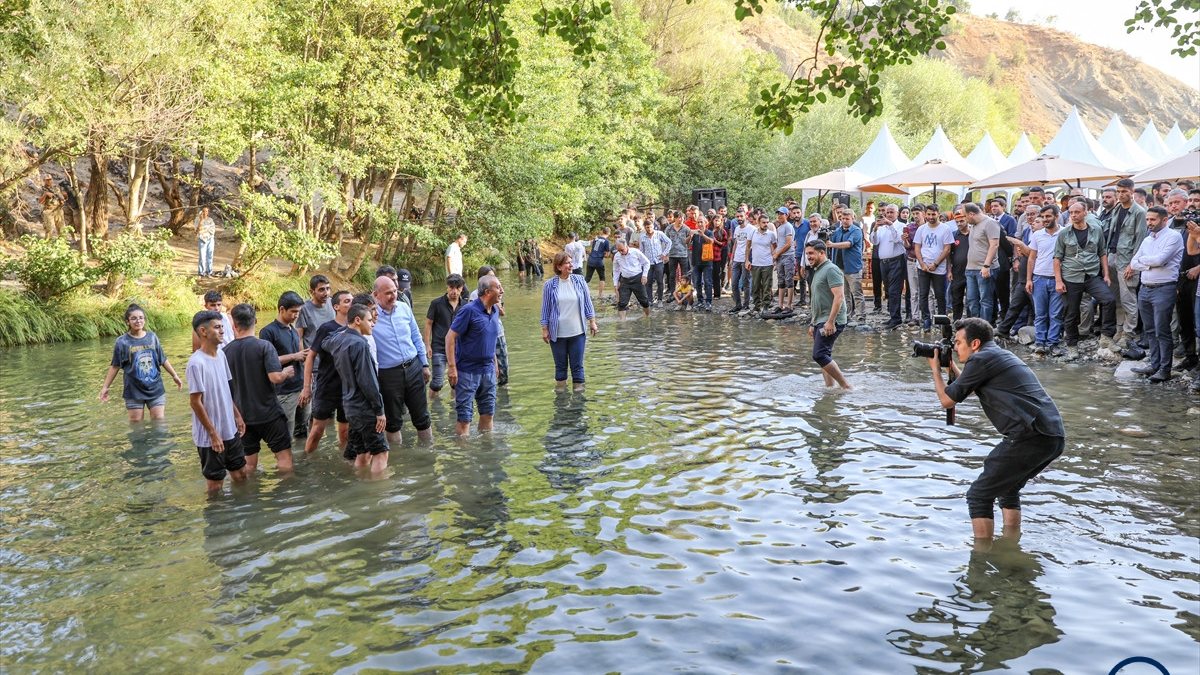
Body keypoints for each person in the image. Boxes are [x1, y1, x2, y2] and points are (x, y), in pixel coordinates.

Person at [927, 317, 1065, 541]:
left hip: (1030, 436)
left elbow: (947, 401)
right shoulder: (995, 355)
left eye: (958, 342)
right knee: (1007, 489)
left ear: (975, 344)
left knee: (978, 495)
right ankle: (1010, 546)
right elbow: (966, 388)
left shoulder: (981, 360)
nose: (954, 347)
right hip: (1052, 435)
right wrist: (950, 365)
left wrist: (934, 370)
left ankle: (981, 560)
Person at [223, 304, 297, 473]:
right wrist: (285, 372)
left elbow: (225, 389)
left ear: (234, 325)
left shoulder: (225, 352)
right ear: (255, 321)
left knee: (249, 464)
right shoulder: (264, 346)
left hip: (243, 417)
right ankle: (287, 496)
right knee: (284, 459)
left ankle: (249, 495)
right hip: (269, 413)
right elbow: (275, 378)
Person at [187, 310, 248, 492]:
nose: (222, 331)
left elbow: (225, 390)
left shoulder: (221, 356)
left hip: (229, 429)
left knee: (240, 475)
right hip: (209, 437)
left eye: (222, 327)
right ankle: (217, 518)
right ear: (203, 332)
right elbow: (195, 402)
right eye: (217, 327)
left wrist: (237, 416)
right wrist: (213, 434)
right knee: (215, 485)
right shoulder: (196, 363)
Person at [372, 275, 433, 442]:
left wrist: (424, 364)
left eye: (394, 291)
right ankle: (398, 460)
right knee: (392, 422)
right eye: (388, 293)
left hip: (413, 367)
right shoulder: (370, 317)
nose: (393, 296)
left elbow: (416, 336)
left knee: (422, 417)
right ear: (376, 295)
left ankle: (429, 455)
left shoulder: (404, 308)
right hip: (388, 374)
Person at [99, 304, 182, 422]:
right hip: (133, 390)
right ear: (127, 321)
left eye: (141, 317)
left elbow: (162, 359)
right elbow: (115, 366)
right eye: (134, 318)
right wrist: (105, 387)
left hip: (155, 387)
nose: (138, 321)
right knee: (137, 425)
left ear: (144, 319)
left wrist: (175, 375)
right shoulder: (122, 342)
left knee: (158, 422)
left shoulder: (152, 337)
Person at [1129, 206, 1185, 382]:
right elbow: (1133, 263)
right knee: (1150, 330)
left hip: (1164, 288)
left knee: (1162, 330)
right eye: (1147, 219)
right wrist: (1149, 264)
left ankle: (1165, 369)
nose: (1149, 223)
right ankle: (1154, 365)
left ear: (1164, 219)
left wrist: (1143, 262)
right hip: (1145, 288)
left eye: (1152, 220)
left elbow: (1160, 260)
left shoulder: (1173, 237)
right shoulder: (1147, 240)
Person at [331, 304, 389, 471]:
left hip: (350, 406)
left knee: (362, 453)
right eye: (369, 320)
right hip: (364, 407)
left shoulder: (338, 340)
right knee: (380, 453)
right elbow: (368, 381)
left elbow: (325, 341)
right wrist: (379, 411)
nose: (372, 324)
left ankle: (361, 483)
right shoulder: (360, 344)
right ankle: (378, 492)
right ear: (357, 320)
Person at [1054, 201, 1116, 350]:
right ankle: (1072, 346)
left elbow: (1102, 253)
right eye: (1071, 213)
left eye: (1077, 212)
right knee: (1071, 312)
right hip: (1071, 277)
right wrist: (1058, 281)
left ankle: (1106, 337)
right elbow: (1057, 258)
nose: (1074, 215)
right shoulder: (1064, 233)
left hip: (1091, 275)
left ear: (1085, 213)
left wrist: (1106, 274)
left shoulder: (1096, 230)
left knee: (1108, 300)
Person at [447, 275, 504, 436]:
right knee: (465, 419)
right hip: (467, 372)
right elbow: (450, 337)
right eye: (499, 287)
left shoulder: (494, 311)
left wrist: (495, 363)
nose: (502, 291)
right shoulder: (468, 310)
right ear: (487, 291)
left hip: (488, 371)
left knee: (488, 415)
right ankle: (464, 457)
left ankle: (485, 454)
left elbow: (489, 339)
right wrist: (452, 368)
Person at [301, 290, 353, 454]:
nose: (351, 304)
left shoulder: (356, 327)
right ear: (336, 306)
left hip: (347, 388)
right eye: (347, 301)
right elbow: (310, 356)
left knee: (345, 432)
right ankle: (307, 460)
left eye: (352, 300)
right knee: (317, 431)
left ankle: (343, 462)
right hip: (326, 386)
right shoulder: (327, 328)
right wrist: (307, 387)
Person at [541, 252, 598, 391]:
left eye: (571, 262)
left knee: (577, 366)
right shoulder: (549, 285)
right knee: (560, 367)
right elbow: (545, 308)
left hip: (577, 332)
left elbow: (587, 303)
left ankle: (578, 402)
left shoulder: (579, 280)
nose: (571, 265)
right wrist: (544, 329)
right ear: (559, 266)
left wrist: (592, 321)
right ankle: (561, 399)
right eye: (567, 263)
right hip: (557, 333)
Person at [1103, 179, 1148, 347]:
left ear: (1132, 191)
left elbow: (1141, 240)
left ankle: (1129, 333)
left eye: (1124, 192)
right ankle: (1120, 328)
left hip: (1128, 260)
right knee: (1116, 298)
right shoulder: (1117, 209)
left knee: (1128, 297)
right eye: (1119, 192)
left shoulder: (1139, 212)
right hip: (1113, 256)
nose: (1121, 195)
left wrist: (1133, 264)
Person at [259, 291, 310, 438]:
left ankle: (303, 460)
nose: (296, 315)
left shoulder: (292, 329)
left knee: (302, 431)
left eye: (298, 312)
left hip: (301, 387)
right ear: (282, 309)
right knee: (285, 435)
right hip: (284, 391)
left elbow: (301, 355)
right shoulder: (268, 332)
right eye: (293, 312)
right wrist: (295, 356)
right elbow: (268, 362)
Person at [805, 240, 851, 390]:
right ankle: (829, 388)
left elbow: (839, 297)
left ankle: (846, 386)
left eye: (811, 253)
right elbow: (817, 299)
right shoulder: (818, 270)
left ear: (822, 253)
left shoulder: (831, 269)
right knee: (823, 356)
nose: (809, 257)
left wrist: (831, 322)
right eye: (807, 254)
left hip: (832, 320)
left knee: (819, 355)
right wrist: (813, 323)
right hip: (820, 319)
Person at [1165, 189, 1199, 370]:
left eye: (1176, 202)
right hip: (1179, 275)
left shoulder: (1195, 221)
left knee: (1197, 319)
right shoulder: (1170, 224)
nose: (1173, 206)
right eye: (1170, 203)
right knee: (1184, 318)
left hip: (1196, 276)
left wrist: (1198, 267)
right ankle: (1190, 356)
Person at [1026, 206, 1064, 356]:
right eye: (1043, 217)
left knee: (1055, 314)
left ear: (1056, 216)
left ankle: (1053, 343)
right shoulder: (1037, 235)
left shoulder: (1065, 233)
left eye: (1048, 216)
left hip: (1058, 279)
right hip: (1039, 277)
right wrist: (1029, 279)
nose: (1045, 219)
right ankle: (1040, 342)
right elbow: (1031, 258)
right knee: (1040, 313)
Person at [913, 206, 954, 330]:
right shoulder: (921, 229)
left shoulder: (945, 229)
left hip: (939, 267)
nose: (931, 217)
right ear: (925, 214)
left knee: (940, 295)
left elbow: (947, 249)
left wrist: (936, 263)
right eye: (929, 214)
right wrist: (922, 263)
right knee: (923, 294)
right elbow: (917, 247)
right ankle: (926, 319)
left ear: (938, 214)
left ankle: (941, 319)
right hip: (923, 266)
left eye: (933, 214)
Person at [424, 274, 465, 395]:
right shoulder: (436, 304)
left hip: (458, 348)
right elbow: (428, 324)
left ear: (462, 288)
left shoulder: (466, 306)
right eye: (451, 287)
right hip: (439, 347)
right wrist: (427, 345)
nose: (454, 291)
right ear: (447, 287)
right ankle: (432, 406)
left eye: (458, 288)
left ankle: (455, 408)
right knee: (437, 383)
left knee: (456, 382)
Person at [468, 265, 509, 386]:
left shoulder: (498, 291)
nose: (492, 278)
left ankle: (503, 394)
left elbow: (502, 313)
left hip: (498, 331)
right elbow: (474, 316)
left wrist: (496, 302)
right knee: (488, 367)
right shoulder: (475, 295)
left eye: (493, 276)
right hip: (483, 335)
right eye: (489, 276)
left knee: (504, 367)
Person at [963, 203, 1002, 322]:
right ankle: (975, 325)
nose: (964, 219)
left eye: (965, 216)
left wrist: (986, 266)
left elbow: (994, 244)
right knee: (971, 299)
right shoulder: (974, 225)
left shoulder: (990, 223)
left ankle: (984, 327)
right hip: (971, 268)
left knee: (985, 300)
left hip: (984, 268)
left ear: (971, 214)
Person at [871, 207, 907, 330]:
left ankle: (896, 318)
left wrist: (891, 225)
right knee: (888, 290)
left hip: (896, 260)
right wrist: (875, 229)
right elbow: (874, 242)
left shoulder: (900, 225)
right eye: (887, 213)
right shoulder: (881, 227)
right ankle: (893, 316)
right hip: (883, 262)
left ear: (897, 213)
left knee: (894, 290)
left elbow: (898, 239)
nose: (889, 214)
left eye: (892, 212)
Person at [828, 207, 866, 321]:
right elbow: (829, 239)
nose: (844, 221)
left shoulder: (856, 230)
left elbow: (848, 244)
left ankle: (861, 316)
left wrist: (832, 245)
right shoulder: (838, 230)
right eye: (842, 218)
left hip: (853, 266)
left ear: (852, 218)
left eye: (847, 218)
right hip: (839, 266)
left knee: (857, 293)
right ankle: (848, 314)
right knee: (844, 294)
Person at [746, 214, 778, 314]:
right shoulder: (752, 232)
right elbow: (748, 247)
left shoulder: (771, 234)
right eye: (763, 222)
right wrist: (747, 260)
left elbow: (775, 247)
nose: (766, 224)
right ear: (758, 222)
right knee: (755, 286)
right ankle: (756, 306)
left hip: (767, 263)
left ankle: (766, 306)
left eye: (767, 222)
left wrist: (774, 259)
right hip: (755, 263)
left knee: (767, 286)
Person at [612, 238, 652, 319]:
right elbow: (616, 270)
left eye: (622, 250)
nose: (620, 252)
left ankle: (647, 317)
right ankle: (623, 323)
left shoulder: (635, 252)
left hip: (637, 279)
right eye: (618, 250)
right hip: (625, 280)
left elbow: (647, 263)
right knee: (622, 303)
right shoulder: (617, 256)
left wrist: (644, 275)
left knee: (644, 301)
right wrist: (615, 284)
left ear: (626, 246)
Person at [296, 274, 333, 350]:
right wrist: (304, 359)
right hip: (314, 357)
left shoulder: (334, 303)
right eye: (321, 290)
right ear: (312, 292)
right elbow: (299, 338)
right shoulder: (304, 309)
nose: (326, 293)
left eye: (328, 289)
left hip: (332, 356)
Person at [640, 218, 671, 305]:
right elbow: (641, 250)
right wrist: (641, 262)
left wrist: (664, 253)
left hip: (658, 261)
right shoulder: (642, 237)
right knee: (648, 282)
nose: (649, 229)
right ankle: (650, 300)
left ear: (653, 226)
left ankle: (660, 300)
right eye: (647, 227)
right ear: (644, 228)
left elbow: (669, 242)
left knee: (660, 281)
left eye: (650, 227)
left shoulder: (659, 234)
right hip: (648, 262)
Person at [773, 207, 797, 312]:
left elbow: (788, 243)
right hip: (780, 256)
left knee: (789, 280)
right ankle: (780, 304)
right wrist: (776, 253)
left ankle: (789, 305)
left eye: (781, 214)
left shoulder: (788, 226)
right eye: (778, 214)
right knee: (781, 280)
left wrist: (777, 253)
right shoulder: (779, 227)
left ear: (786, 215)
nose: (779, 216)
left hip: (788, 256)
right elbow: (780, 243)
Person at [729, 212, 754, 313]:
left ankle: (746, 305)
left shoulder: (751, 229)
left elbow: (752, 244)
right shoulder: (737, 228)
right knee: (734, 283)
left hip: (746, 259)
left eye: (741, 216)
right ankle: (738, 304)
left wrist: (748, 259)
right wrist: (732, 257)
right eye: (737, 216)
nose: (739, 218)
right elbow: (736, 243)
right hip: (736, 259)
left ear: (746, 217)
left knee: (745, 282)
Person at [688, 219, 716, 310]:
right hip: (696, 261)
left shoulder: (709, 232)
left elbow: (711, 241)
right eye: (698, 222)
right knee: (697, 282)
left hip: (707, 261)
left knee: (708, 282)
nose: (700, 224)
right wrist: (690, 236)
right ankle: (700, 301)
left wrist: (702, 234)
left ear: (706, 223)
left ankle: (708, 302)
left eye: (701, 222)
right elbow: (687, 244)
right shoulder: (695, 233)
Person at [664, 211, 691, 301]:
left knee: (684, 275)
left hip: (683, 254)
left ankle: (685, 294)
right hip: (672, 254)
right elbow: (665, 241)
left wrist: (690, 237)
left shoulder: (686, 229)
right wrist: (665, 253)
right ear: (675, 218)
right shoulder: (669, 228)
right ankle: (672, 293)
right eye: (679, 218)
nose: (681, 220)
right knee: (672, 275)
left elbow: (688, 242)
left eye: (683, 218)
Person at [585, 228, 612, 298]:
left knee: (587, 278)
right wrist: (605, 254)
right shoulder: (606, 241)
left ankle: (580, 290)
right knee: (602, 278)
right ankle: (600, 295)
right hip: (598, 261)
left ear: (602, 232)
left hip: (590, 259)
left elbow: (593, 249)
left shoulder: (596, 238)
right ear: (609, 233)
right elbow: (607, 255)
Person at [38, 174, 66, 239]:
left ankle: (62, 243)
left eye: (50, 179)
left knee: (61, 228)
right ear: (44, 181)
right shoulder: (42, 189)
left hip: (58, 210)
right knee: (49, 229)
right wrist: (45, 195)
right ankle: (47, 244)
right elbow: (40, 201)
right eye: (47, 180)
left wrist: (62, 200)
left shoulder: (56, 188)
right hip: (48, 211)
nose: (49, 181)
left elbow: (61, 197)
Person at [195, 206, 216, 277]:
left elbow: (212, 230)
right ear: (201, 212)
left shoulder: (210, 220)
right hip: (202, 239)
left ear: (208, 212)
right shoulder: (197, 220)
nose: (205, 213)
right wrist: (201, 221)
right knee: (202, 256)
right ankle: (201, 272)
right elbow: (197, 231)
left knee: (210, 255)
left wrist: (203, 230)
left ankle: (209, 271)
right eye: (203, 211)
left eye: (206, 211)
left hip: (210, 239)